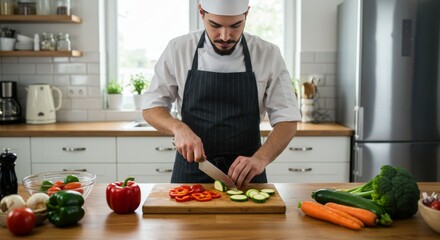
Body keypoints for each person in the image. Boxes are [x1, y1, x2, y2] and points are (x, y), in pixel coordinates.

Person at [142, 0, 301, 188]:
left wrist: (261, 159)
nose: (225, 36)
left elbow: (288, 120)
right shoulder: (179, 49)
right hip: (192, 171)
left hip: (247, 174)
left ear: (246, 15)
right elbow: (151, 107)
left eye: (235, 26)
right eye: (215, 25)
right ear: (201, 12)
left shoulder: (267, 54)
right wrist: (178, 128)